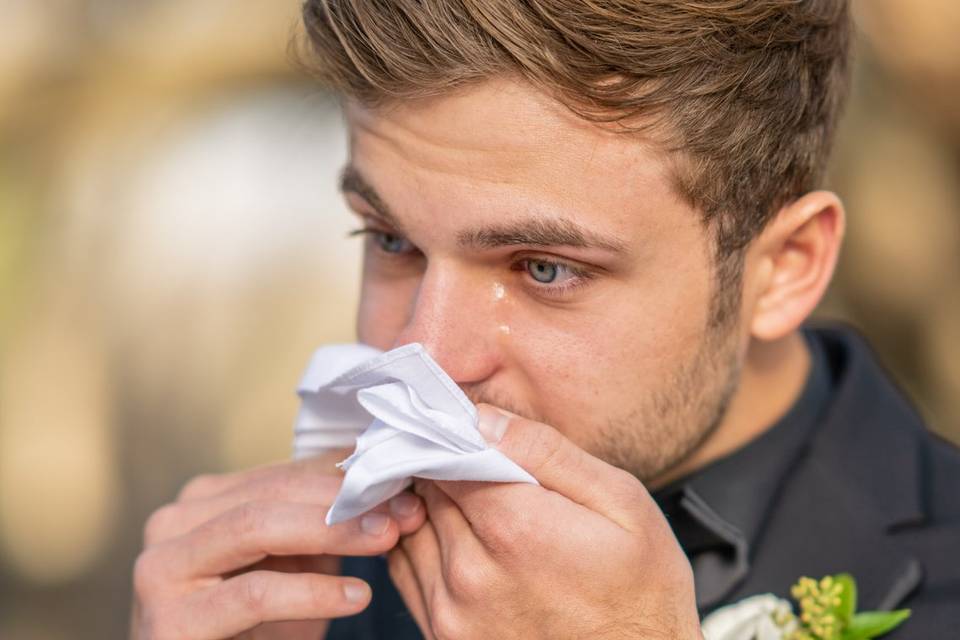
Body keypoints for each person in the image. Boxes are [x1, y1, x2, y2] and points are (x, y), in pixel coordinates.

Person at [131, 1, 960, 638]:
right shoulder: (319, 583)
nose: (427, 354)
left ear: (784, 269)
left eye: (545, 268)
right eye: (391, 240)